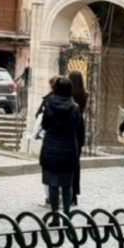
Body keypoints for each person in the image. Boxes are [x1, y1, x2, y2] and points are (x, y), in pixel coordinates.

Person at [39, 77, 84, 216]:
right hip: (68, 148)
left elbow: (45, 125)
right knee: (67, 184)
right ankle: (66, 213)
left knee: (52, 183)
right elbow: (77, 126)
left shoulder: (49, 104)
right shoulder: (75, 107)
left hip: (51, 147)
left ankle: (55, 214)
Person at [68, 70, 89, 205]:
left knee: (68, 163)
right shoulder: (84, 94)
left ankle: (67, 192)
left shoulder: (69, 94)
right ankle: (74, 193)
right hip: (80, 126)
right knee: (76, 162)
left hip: (71, 125)